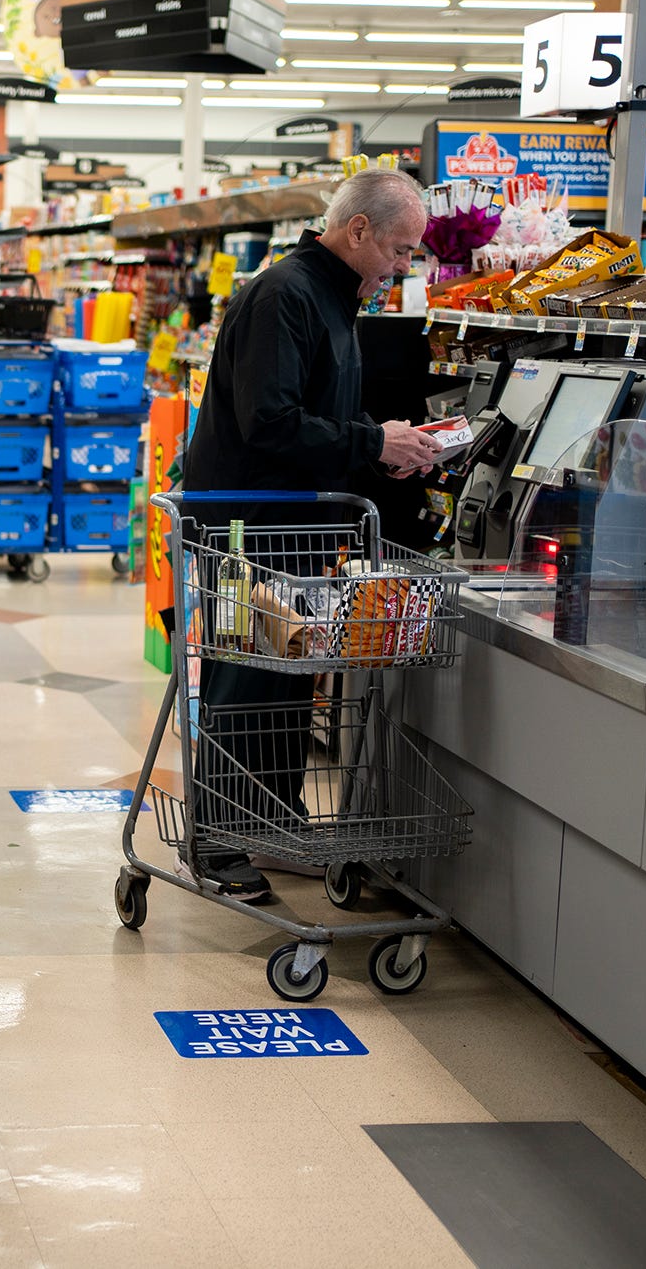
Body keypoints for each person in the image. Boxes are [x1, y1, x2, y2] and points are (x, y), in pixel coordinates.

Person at [177, 167, 441, 902]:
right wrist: (370, 440)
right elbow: (271, 422)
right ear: (357, 230)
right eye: (398, 248)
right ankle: (216, 843)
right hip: (238, 527)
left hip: (289, 529)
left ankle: (270, 817)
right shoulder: (283, 295)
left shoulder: (334, 299)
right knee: (237, 670)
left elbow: (321, 420)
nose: (402, 265)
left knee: (284, 679)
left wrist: (388, 450)